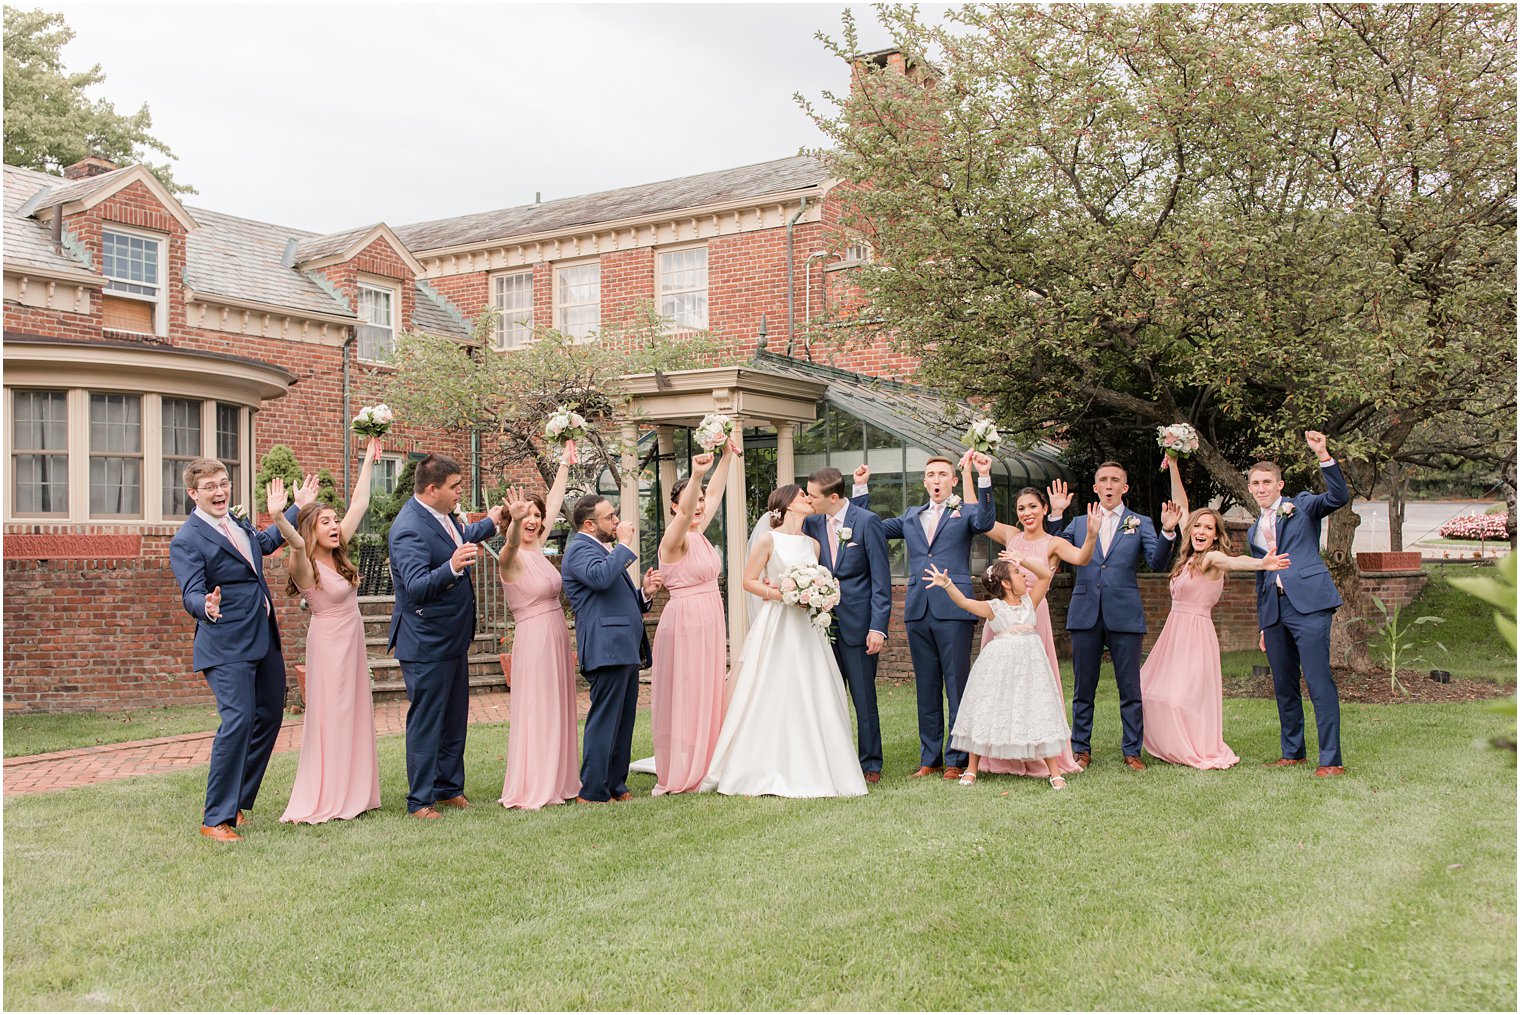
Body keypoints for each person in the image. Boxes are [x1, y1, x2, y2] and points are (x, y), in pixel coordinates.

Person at [169, 459, 311, 841]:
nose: (219, 492)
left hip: (262, 637)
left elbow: (263, 545)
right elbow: (190, 592)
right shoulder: (188, 539)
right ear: (193, 494)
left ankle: (237, 802)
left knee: (269, 716)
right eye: (210, 487)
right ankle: (215, 819)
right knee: (238, 721)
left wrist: (295, 508)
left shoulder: (236, 521)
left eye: (224, 483)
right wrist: (206, 606)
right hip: (226, 643)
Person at [699, 486, 868, 798]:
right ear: (787, 504)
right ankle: (759, 766)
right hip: (778, 622)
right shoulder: (768, 539)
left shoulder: (814, 545)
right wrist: (784, 595)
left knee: (812, 687)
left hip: (807, 627)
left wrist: (819, 595)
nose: (807, 497)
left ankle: (817, 765)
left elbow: (820, 580)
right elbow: (747, 581)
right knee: (771, 686)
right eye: (802, 494)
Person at [852, 453, 996, 781]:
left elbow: (986, 521)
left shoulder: (965, 513)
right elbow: (870, 526)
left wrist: (984, 477)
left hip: (954, 609)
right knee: (926, 687)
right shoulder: (910, 516)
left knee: (957, 685)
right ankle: (929, 758)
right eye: (930, 474)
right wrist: (860, 490)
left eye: (942, 474)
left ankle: (957, 758)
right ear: (925, 481)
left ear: (952, 481)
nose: (935, 480)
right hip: (918, 610)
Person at [963, 462, 1096, 780]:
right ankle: (1000, 751)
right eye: (1021, 508)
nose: (1026, 513)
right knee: (997, 686)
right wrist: (969, 474)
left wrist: (1091, 536)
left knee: (1034, 687)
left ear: (1045, 509)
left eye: (1032, 506)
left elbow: (1081, 558)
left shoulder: (1054, 544)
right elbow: (977, 518)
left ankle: (1040, 752)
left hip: (1033, 618)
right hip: (1001, 622)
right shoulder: (1010, 535)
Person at [274, 439, 383, 823]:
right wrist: (281, 516)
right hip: (328, 647)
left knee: (354, 712)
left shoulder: (339, 554)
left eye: (335, 521)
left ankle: (356, 791)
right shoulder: (306, 566)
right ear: (311, 530)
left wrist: (369, 458)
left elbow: (361, 504)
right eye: (326, 522)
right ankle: (331, 794)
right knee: (333, 716)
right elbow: (294, 542)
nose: (335, 525)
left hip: (351, 643)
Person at [387, 454, 501, 820]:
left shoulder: (443, 516)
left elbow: (460, 536)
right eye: (454, 487)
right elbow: (417, 586)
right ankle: (420, 800)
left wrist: (492, 523)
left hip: (453, 636)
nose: (459, 493)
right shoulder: (407, 528)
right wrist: (451, 567)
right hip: (425, 641)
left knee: (454, 716)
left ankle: (449, 787)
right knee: (427, 720)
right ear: (432, 489)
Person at [1047, 462, 1181, 771]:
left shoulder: (1141, 522)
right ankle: (1080, 749)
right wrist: (1055, 515)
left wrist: (1169, 531)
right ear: (1095, 488)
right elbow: (1051, 550)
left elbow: (1157, 563)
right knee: (1083, 688)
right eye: (1103, 480)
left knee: (1130, 688)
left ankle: (1132, 751)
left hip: (1124, 613)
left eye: (1115, 480)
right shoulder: (1079, 523)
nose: (1109, 485)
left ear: (1125, 487)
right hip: (1085, 613)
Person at [1248, 430, 1349, 776]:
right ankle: (1293, 752)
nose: (1261, 488)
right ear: (1250, 489)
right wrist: (1263, 623)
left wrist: (1324, 455)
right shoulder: (1253, 530)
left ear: (1280, 485)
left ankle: (1331, 760)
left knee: (1318, 680)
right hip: (1274, 611)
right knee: (1283, 684)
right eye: (1255, 483)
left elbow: (1338, 496)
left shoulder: (1302, 505)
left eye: (1267, 482)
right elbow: (1261, 578)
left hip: (1309, 605)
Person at [926, 554, 1072, 790]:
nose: (1023, 576)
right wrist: (948, 584)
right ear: (1005, 583)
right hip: (999, 665)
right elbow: (964, 603)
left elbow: (1046, 575)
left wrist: (1022, 560)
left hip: (1031, 665)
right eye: (1017, 574)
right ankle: (972, 768)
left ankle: (1054, 772)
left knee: (1038, 707)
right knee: (987, 708)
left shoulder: (1030, 602)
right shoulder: (993, 607)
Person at [561, 494, 663, 804]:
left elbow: (613, 596)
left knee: (624, 719)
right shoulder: (578, 549)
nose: (616, 521)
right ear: (589, 524)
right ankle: (592, 791)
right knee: (605, 719)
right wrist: (625, 546)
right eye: (610, 517)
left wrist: (643, 593)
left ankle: (616, 785)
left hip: (623, 646)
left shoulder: (600, 549)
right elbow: (600, 579)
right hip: (606, 648)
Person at [650, 448, 736, 796]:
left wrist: (728, 455)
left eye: (701, 501)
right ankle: (686, 767)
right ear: (674, 507)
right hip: (685, 621)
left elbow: (713, 494)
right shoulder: (674, 540)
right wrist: (697, 475)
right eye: (692, 501)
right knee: (688, 692)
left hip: (710, 619)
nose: (699, 505)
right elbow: (688, 512)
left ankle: (707, 757)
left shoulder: (699, 533)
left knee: (709, 689)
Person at [495, 458, 579, 810]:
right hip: (534, 638)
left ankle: (560, 777)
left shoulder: (538, 546)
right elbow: (513, 544)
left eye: (535, 515)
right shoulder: (509, 555)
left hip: (556, 632)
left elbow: (556, 502)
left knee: (558, 704)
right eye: (524, 515)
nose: (532, 520)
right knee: (539, 707)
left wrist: (564, 462)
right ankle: (536, 784)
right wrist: (514, 522)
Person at [802, 466, 891, 783]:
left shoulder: (867, 524)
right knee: (827, 696)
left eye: (813, 496)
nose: (809, 500)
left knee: (864, 699)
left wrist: (877, 627)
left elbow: (881, 581)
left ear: (834, 497)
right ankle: (833, 759)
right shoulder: (811, 522)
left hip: (860, 627)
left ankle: (870, 764)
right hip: (822, 627)